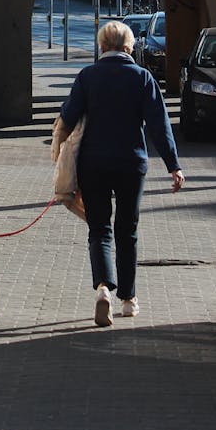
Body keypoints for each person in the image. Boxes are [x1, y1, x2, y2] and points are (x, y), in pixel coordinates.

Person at [53, 19, 185, 327]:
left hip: (93, 163)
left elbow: (69, 115)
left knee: (99, 228)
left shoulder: (87, 76)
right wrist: (173, 165)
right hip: (131, 162)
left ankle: (103, 289)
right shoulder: (142, 78)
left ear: (101, 47)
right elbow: (159, 125)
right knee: (128, 230)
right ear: (130, 47)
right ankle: (128, 299)